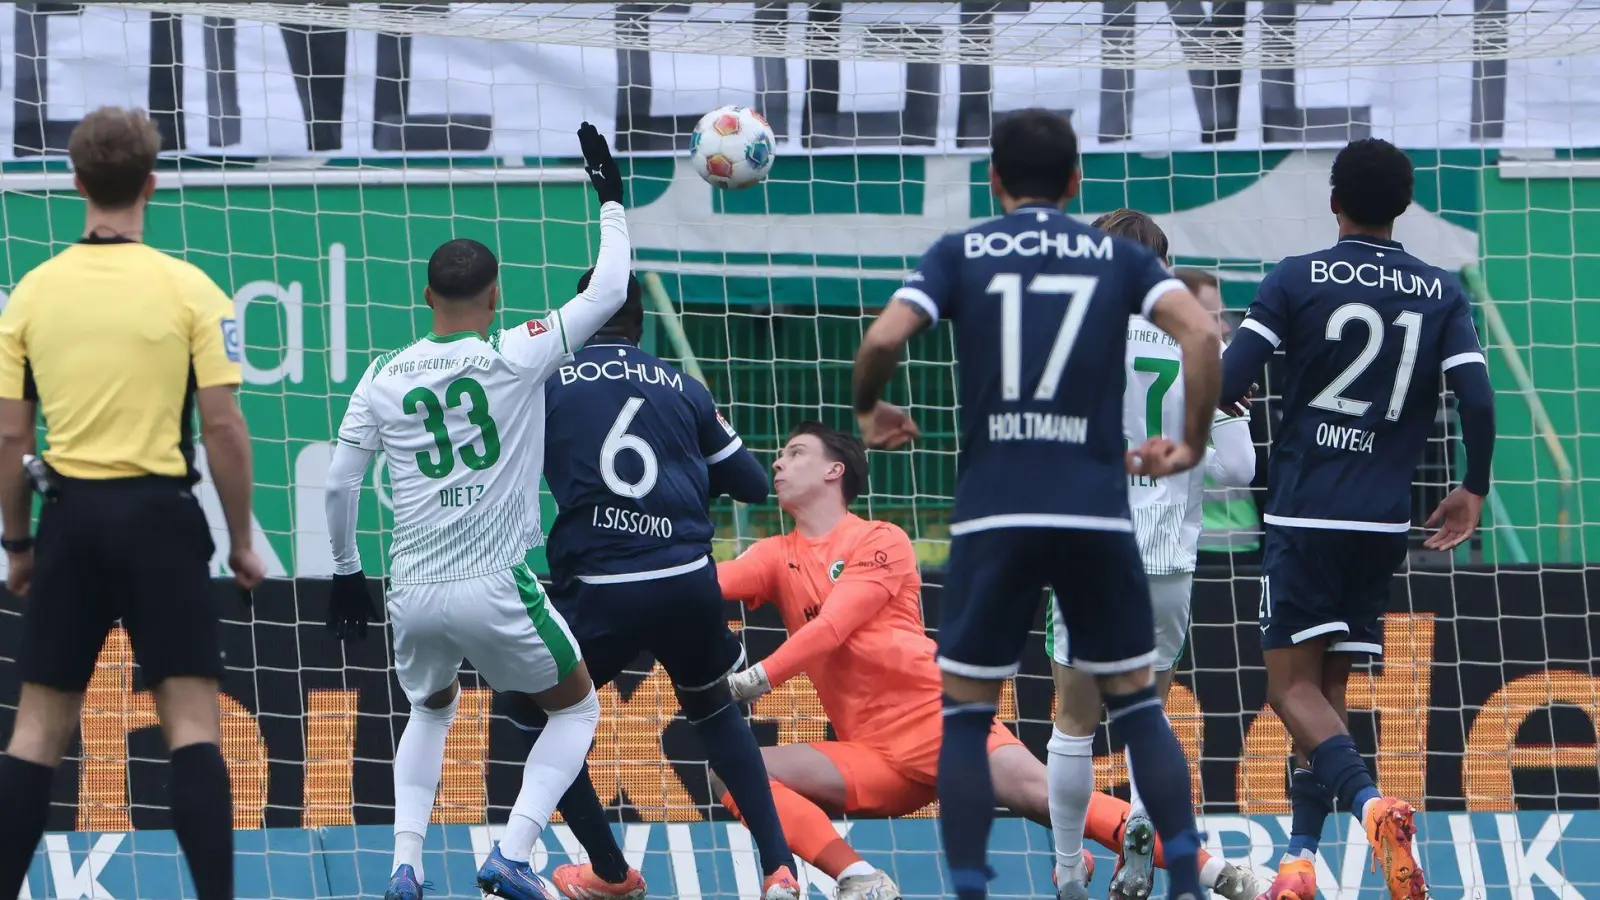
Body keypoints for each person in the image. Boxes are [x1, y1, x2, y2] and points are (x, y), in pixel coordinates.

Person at [851, 108, 1222, 900]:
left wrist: (868, 410)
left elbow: (882, 339)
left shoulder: (964, 250)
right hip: (1095, 513)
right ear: (1076, 180)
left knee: (972, 715)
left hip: (997, 510)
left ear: (992, 181)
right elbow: (1200, 333)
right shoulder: (1113, 258)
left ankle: (991, 886)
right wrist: (1190, 443)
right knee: (1142, 712)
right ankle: (1188, 884)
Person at [712, 422, 1263, 900]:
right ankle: (858, 876)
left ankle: (1218, 872)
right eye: (780, 455)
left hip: (938, 721)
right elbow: (702, 588)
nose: (779, 462)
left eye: (795, 452)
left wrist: (757, 678)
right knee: (734, 770)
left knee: (1047, 799)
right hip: (871, 752)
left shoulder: (880, 539)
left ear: (835, 472)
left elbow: (831, 629)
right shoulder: (773, 555)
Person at [323, 123, 628, 900]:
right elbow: (610, 292)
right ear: (494, 297)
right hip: (495, 582)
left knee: (429, 709)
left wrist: (345, 574)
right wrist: (612, 199)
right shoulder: (514, 352)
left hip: (411, 589)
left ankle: (406, 865)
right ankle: (512, 851)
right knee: (578, 709)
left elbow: (338, 482)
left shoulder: (383, 375)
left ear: (425, 298)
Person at [1218, 137, 1496, 900]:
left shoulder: (1294, 278)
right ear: (1404, 205)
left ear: (1333, 199)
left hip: (1305, 510)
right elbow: (1475, 396)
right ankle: (1299, 860)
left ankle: (1374, 809)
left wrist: (1221, 390)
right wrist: (1472, 485)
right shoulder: (1441, 291)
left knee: (1287, 690)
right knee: (1328, 693)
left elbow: (1230, 377)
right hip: (1381, 521)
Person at [0, 106, 264, 900]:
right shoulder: (190, 289)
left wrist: (18, 543)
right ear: (151, 183)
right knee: (191, 726)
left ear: (77, 183)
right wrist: (244, 539)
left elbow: (10, 432)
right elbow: (221, 425)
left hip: (71, 523)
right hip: (160, 521)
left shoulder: (31, 296)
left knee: (37, 732)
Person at [497, 269, 801, 900]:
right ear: (641, 323)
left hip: (604, 586)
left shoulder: (550, 384)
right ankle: (779, 871)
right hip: (690, 583)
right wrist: (680, 474)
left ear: (583, 314)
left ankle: (610, 872)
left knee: (533, 711)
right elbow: (749, 483)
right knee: (715, 711)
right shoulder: (682, 387)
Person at [1046, 211, 1257, 900]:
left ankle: (1069, 867)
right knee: (1148, 713)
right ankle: (1141, 821)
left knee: (1075, 719)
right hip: (1167, 557)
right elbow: (1239, 472)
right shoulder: (1199, 340)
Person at [1177, 268, 1267, 567]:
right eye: (1213, 315)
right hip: (1185, 543)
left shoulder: (1229, 375)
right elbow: (1243, 468)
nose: (1226, 328)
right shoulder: (1214, 368)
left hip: (1233, 543)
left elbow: (1262, 468)